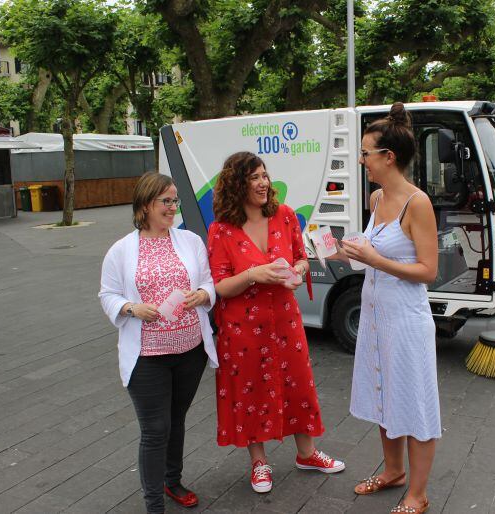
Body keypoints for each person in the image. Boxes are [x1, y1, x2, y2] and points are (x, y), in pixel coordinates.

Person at [207, 151, 345, 494]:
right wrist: (253, 274)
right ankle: (259, 463)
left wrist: (295, 272)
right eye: (254, 177)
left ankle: (307, 453)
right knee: (251, 389)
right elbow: (219, 286)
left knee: (298, 384)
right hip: (242, 327)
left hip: (285, 320)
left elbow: (301, 259)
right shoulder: (221, 230)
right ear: (237, 185)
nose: (264, 183)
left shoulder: (284, 216)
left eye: (265, 175)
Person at [340, 102, 440, 514]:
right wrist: (338, 252)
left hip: (405, 321)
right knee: (383, 394)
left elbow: (427, 270)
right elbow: (371, 250)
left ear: (388, 157)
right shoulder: (377, 197)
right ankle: (393, 471)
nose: (361, 160)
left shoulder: (417, 204)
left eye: (365, 153)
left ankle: (417, 493)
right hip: (376, 318)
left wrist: (373, 260)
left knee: (413, 402)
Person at [99, 172, 218, 514]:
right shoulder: (121, 250)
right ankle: (154, 505)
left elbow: (208, 281)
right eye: (165, 201)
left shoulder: (190, 241)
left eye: (174, 200)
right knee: (155, 429)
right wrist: (131, 308)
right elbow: (107, 294)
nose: (172, 207)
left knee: (176, 419)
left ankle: (172, 479)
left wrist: (202, 294)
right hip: (147, 356)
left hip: (189, 351)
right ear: (145, 204)